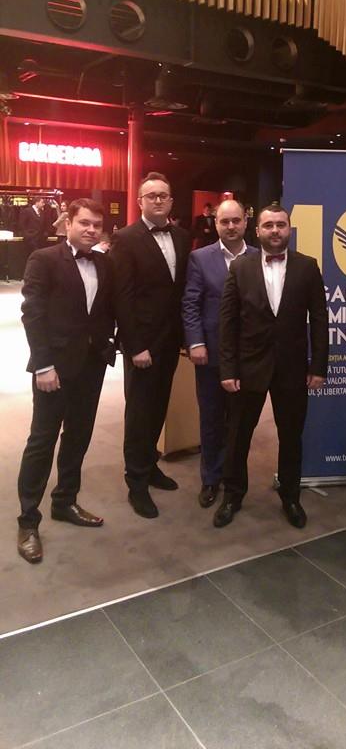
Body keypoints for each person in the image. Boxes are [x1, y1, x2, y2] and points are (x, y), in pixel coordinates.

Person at [215, 203, 328, 529]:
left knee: (291, 436)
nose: (275, 230)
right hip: (248, 367)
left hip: (293, 368)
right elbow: (228, 322)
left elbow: (320, 319)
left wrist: (319, 366)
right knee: (238, 436)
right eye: (268, 225)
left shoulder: (308, 266)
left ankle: (291, 497)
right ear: (258, 230)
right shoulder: (240, 267)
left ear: (289, 228)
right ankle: (232, 495)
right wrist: (228, 369)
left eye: (281, 224)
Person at [17, 199, 116, 564]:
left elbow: (106, 311)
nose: (91, 229)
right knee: (42, 441)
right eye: (84, 223)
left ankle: (65, 501)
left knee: (78, 435)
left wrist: (110, 343)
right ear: (68, 223)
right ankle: (28, 521)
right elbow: (33, 314)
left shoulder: (105, 263)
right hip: (54, 368)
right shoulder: (43, 259)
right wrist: (43, 365)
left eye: (97, 225)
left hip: (91, 366)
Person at [110, 172, 189, 518]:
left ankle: (150, 464)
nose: (158, 200)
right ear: (140, 201)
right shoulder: (125, 238)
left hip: (171, 340)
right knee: (139, 412)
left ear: (171, 201)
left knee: (158, 408)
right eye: (151, 195)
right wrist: (134, 345)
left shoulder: (182, 237)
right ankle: (136, 482)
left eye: (163, 195)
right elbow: (122, 297)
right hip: (142, 344)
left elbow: (181, 291)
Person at [183, 200, 258, 507]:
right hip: (211, 353)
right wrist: (195, 342)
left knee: (240, 422)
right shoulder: (200, 258)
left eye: (236, 220)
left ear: (245, 223)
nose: (230, 226)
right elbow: (190, 304)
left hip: (249, 356)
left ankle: (233, 477)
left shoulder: (259, 257)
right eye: (224, 221)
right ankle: (211, 479)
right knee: (212, 419)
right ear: (215, 224)